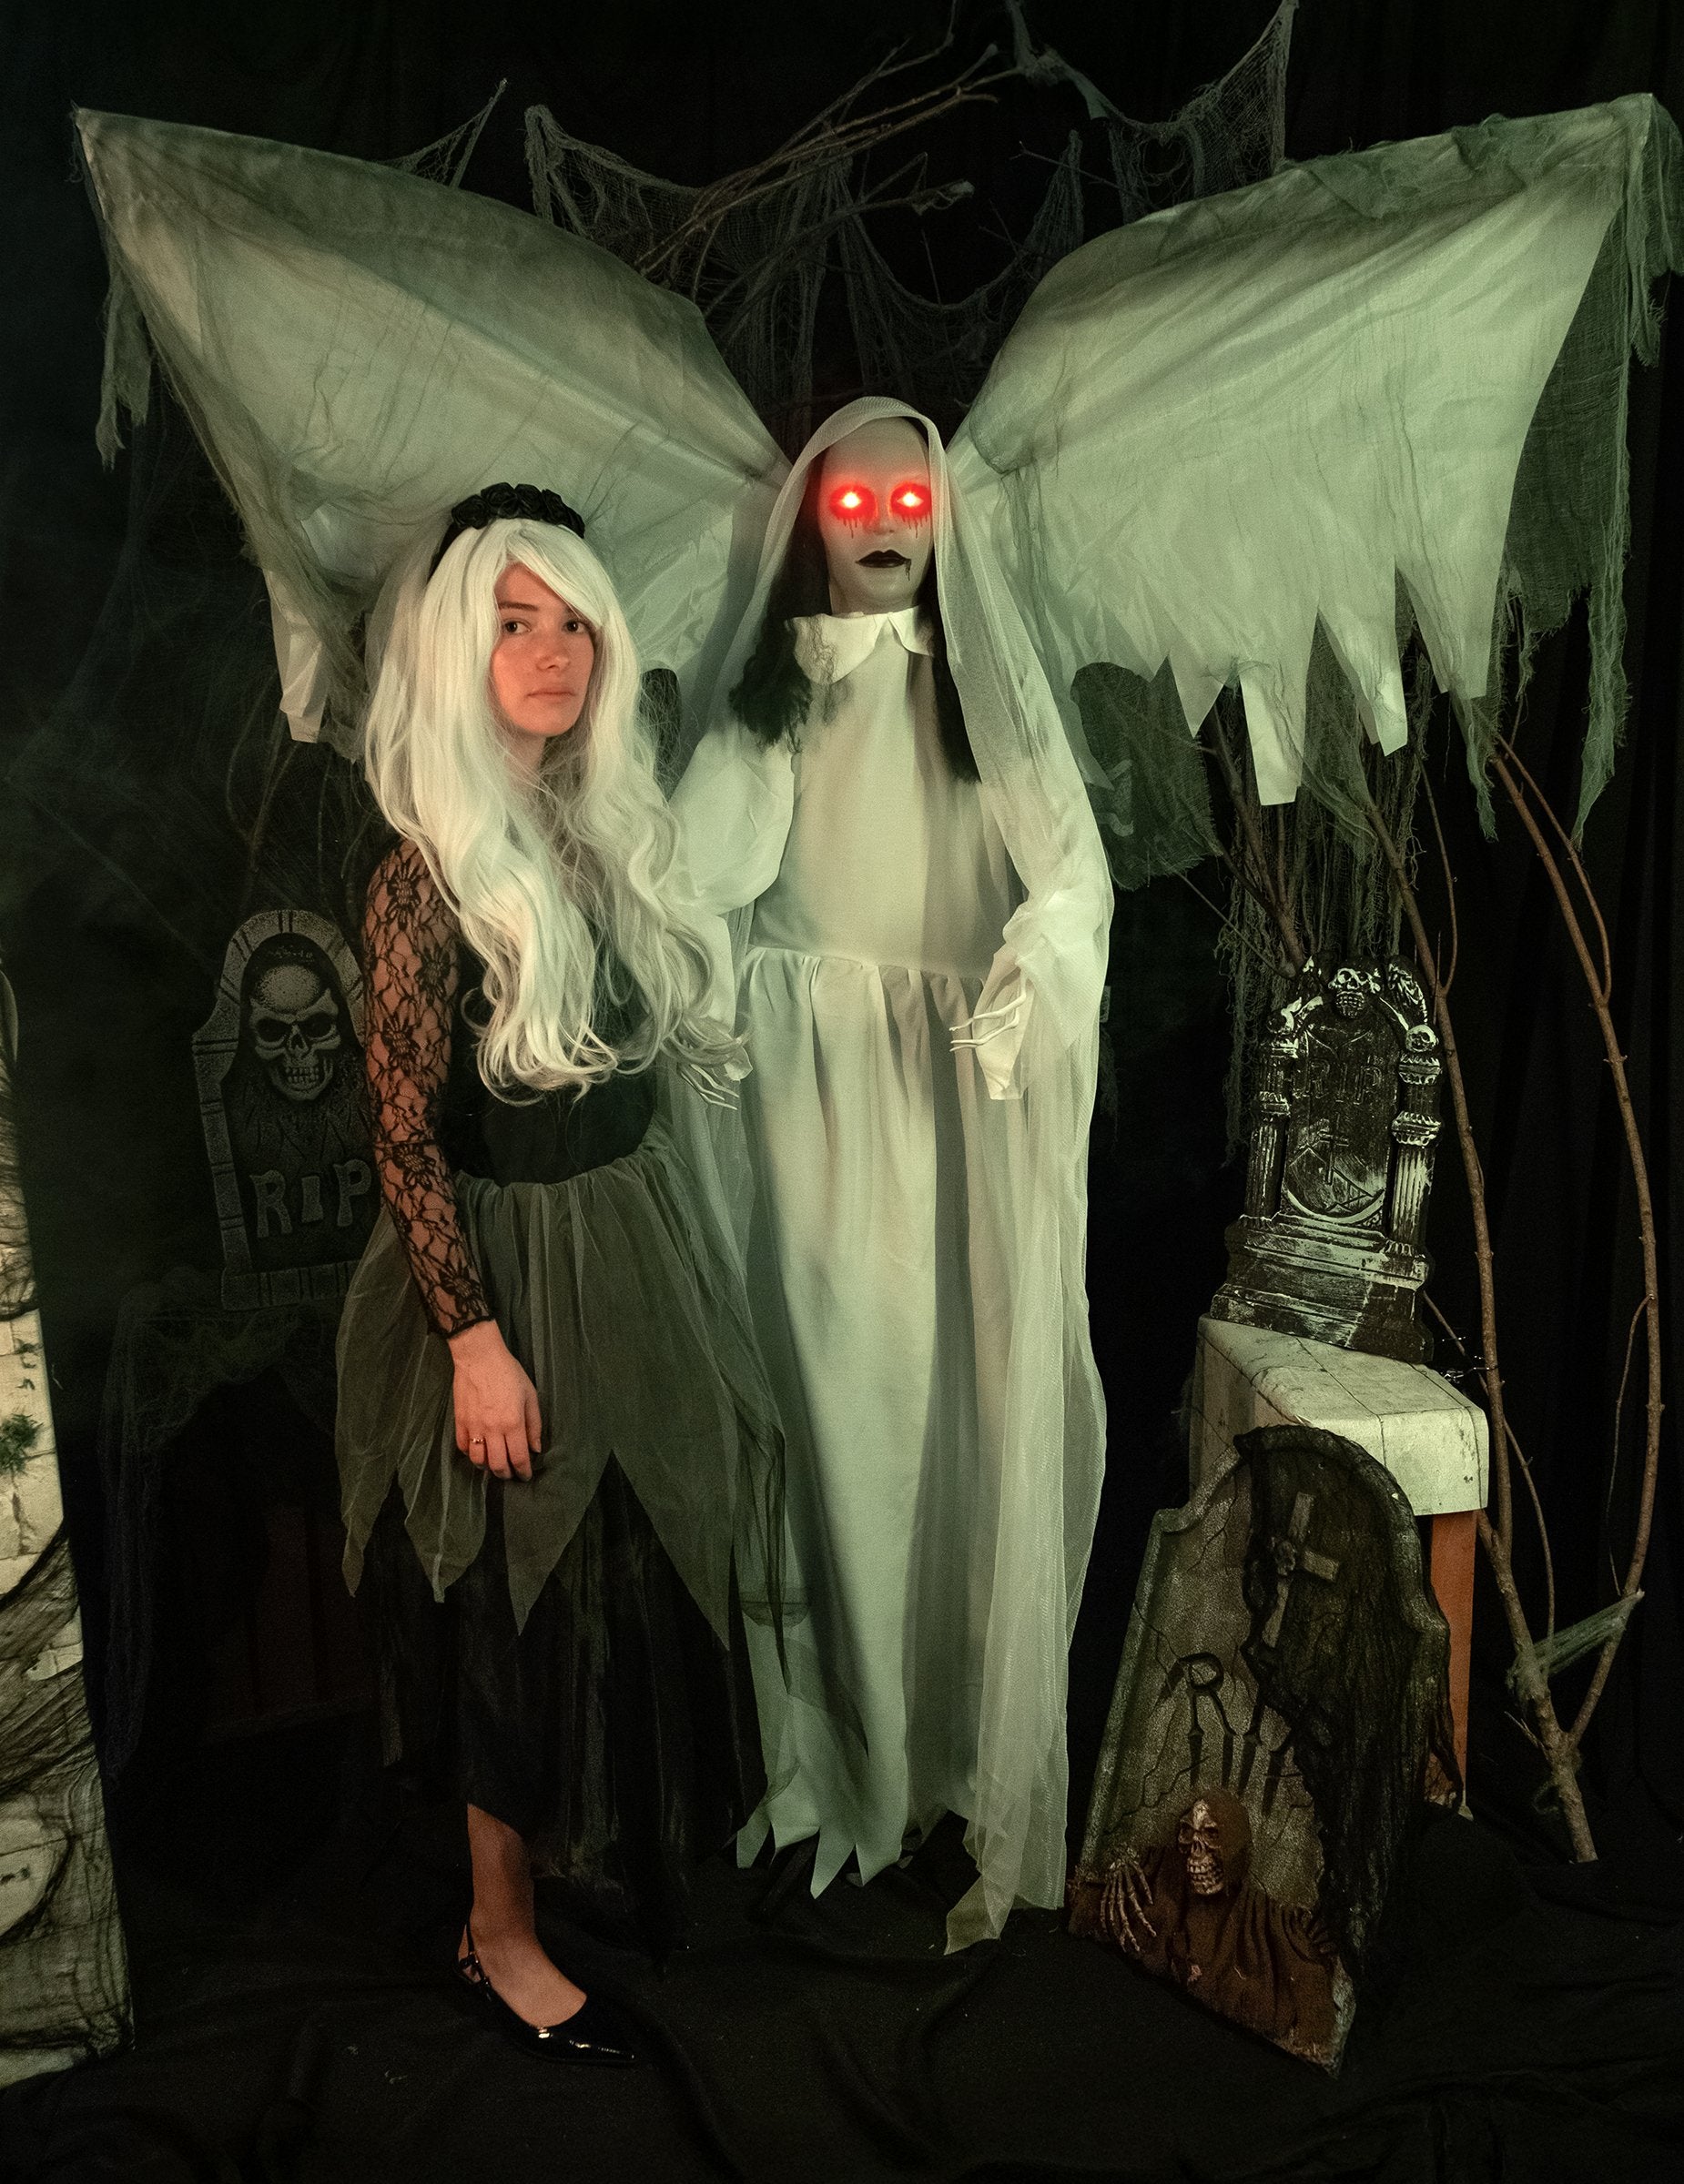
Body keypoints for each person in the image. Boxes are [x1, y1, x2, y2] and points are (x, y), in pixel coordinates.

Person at [335, 484, 786, 2063]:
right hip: (500, 1275)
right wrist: (472, 1342)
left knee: (618, 1572)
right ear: (455, 652)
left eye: (575, 622)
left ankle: (593, 1875)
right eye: (513, 623)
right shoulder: (425, 874)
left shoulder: (605, 838)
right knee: (502, 1606)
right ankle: (498, 1932)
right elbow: (401, 1133)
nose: (552, 652)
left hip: (629, 1249)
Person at [675, 403, 1111, 1945]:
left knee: (966, 1408)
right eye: (852, 498)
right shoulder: (781, 688)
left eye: (908, 497)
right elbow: (697, 881)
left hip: (959, 1090)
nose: (880, 521)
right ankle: (840, 1750)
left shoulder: (988, 693)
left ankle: (955, 1747)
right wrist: (705, 1001)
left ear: (944, 515)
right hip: (818, 1102)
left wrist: (1027, 972)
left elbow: (1072, 876)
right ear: (809, 517)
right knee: (841, 1406)